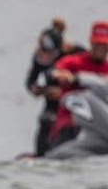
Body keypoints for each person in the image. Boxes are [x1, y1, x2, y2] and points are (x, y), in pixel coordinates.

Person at [24, 18, 85, 157]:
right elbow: (30, 80)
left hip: (74, 102)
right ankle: (40, 155)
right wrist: (38, 90)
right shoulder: (40, 56)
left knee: (70, 127)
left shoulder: (76, 53)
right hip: (52, 101)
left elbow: (87, 80)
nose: (42, 52)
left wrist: (62, 92)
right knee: (46, 120)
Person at [44, 20, 108, 151]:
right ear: (91, 42)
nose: (100, 49)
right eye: (97, 44)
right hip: (70, 123)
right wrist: (60, 75)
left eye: (104, 45)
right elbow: (52, 72)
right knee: (77, 97)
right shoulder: (74, 61)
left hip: (99, 126)